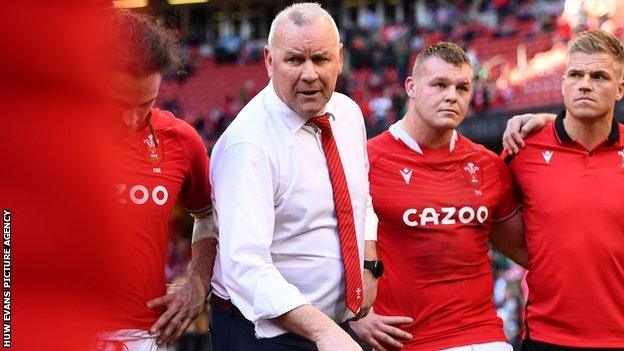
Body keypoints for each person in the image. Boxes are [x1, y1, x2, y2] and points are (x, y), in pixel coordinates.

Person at [209, 3, 379, 351]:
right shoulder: (249, 145)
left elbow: (361, 200)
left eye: (320, 59)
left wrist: (368, 261)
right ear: (269, 61)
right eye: (294, 60)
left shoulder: (347, 114)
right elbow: (244, 266)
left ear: (340, 58)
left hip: (331, 326)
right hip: (263, 333)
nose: (310, 74)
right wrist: (323, 331)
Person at [350, 41, 528, 351]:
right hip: (408, 341)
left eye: (462, 88)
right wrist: (353, 315)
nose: (452, 96)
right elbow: (327, 245)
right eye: (440, 84)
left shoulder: (488, 165)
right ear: (411, 87)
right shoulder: (365, 161)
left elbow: (529, 251)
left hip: (485, 336)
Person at [95, 10, 216, 351]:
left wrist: (197, 280)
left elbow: (208, 215)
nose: (133, 118)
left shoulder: (180, 140)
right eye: (119, 103)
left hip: (145, 337)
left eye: (146, 103)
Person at [501, 29, 624, 350]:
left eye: (599, 76)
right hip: (547, 337)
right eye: (575, 74)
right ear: (563, 83)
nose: (585, 83)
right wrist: (542, 259)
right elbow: (493, 221)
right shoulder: (522, 149)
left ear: (620, 89)